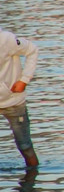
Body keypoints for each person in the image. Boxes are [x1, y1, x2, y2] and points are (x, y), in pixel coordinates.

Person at [0, 29, 39, 168]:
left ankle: (30, 185)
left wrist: (24, 80)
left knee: (25, 147)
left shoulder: (5, 39)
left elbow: (32, 50)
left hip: (12, 101)